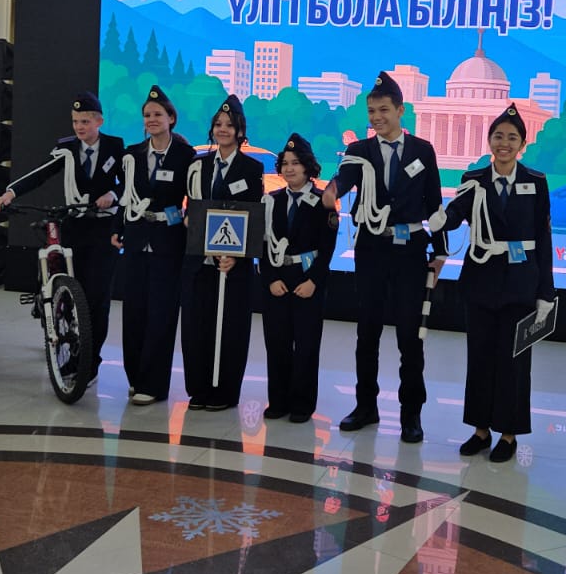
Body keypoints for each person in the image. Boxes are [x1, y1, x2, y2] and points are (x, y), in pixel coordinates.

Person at [321, 71, 446, 443]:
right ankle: (365, 406)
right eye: (372, 112)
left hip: (410, 251)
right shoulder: (360, 150)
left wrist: (440, 250)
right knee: (368, 332)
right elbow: (344, 179)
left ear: (400, 110)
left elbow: (434, 203)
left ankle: (411, 414)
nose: (376, 117)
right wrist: (332, 192)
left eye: (383, 110)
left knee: (410, 336)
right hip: (372, 249)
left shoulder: (423, 150)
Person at [430, 105, 555, 463]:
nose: (504, 143)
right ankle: (481, 430)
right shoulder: (474, 178)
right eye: (498, 136)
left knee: (514, 361)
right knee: (480, 357)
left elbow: (543, 238)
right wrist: (442, 218)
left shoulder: (536, 181)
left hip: (521, 282)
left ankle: (508, 434)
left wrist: (546, 292)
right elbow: (458, 213)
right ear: (489, 141)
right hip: (481, 279)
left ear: (522, 144)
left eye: (512, 137)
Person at [0, 91, 124, 381]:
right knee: (72, 294)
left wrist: (113, 194)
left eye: (85, 121)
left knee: (97, 298)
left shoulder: (116, 146)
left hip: (103, 230)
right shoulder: (66, 148)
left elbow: (128, 183)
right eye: (75, 121)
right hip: (75, 226)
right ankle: (73, 353)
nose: (79, 127)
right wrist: (10, 193)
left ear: (99, 121)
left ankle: (91, 363)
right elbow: (41, 173)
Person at [182, 94, 264, 411]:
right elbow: (192, 206)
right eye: (218, 124)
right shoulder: (199, 165)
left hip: (233, 264)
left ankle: (226, 392)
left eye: (230, 125)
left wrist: (235, 254)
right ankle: (198, 389)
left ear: (240, 131)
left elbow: (252, 215)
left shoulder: (252, 168)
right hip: (199, 261)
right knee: (197, 325)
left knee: (231, 329)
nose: (223, 129)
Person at [114, 85, 196, 405]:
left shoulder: (186, 156)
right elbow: (124, 196)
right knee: (134, 312)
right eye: (147, 115)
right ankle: (135, 377)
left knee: (161, 314)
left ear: (171, 118)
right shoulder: (132, 154)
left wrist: (189, 222)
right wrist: (117, 228)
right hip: (136, 240)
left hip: (168, 242)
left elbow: (195, 197)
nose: (151, 119)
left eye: (158, 114)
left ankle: (154, 384)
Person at [259, 133, 339, 423]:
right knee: (277, 342)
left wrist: (314, 280)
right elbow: (263, 245)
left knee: (306, 345)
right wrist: (270, 278)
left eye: (296, 163)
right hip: (277, 279)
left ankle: (302, 404)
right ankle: (278, 401)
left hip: (307, 280)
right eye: (285, 163)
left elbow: (327, 247)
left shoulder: (322, 202)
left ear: (308, 167)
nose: (289, 168)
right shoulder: (271, 201)